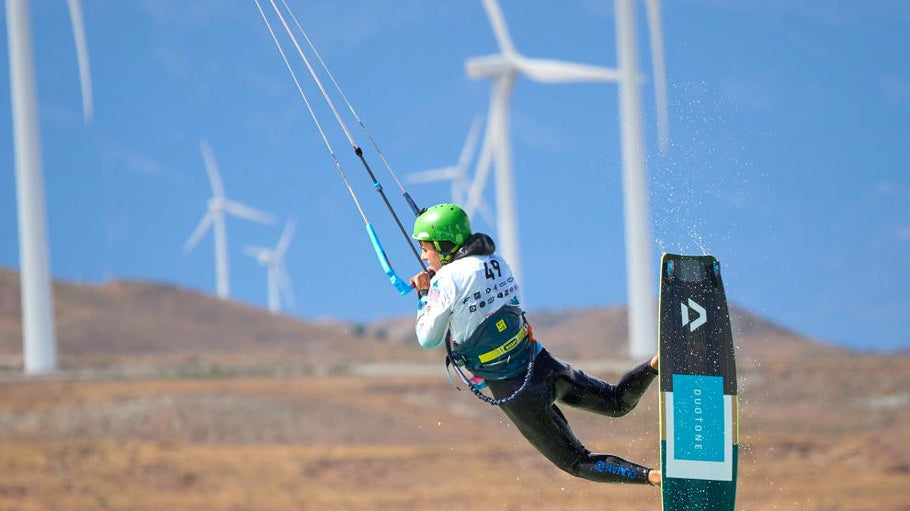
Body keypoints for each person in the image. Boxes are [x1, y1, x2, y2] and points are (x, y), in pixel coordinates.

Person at [409, 203, 661, 486]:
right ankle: (655, 365)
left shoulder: (444, 281)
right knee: (616, 402)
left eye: (426, 249)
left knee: (577, 461)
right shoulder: (496, 261)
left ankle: (654, 477)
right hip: (541, 364)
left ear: (444, 246)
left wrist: (423, 295)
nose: (423, 256)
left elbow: (429, 338)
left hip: (516, 388)